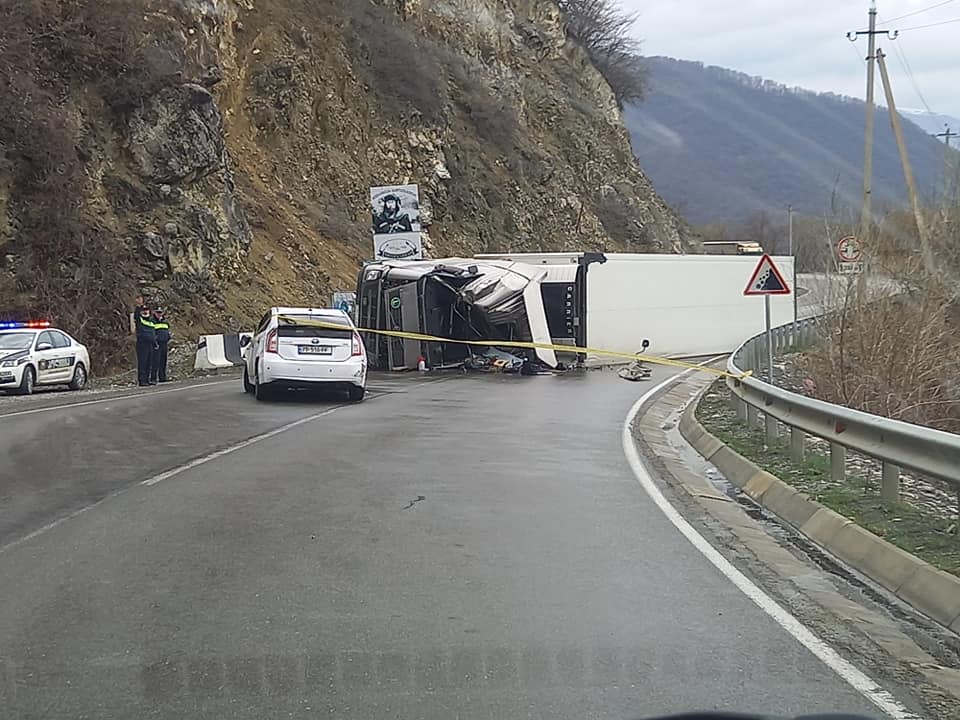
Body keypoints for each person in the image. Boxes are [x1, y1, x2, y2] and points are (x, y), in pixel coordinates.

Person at [135, 305, 157, 387]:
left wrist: (155, 343)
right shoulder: (140, 320)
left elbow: (153, 334)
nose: (145, 312)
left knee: (149, 362)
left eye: (147, 310)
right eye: (143, 310)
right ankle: (142, 380)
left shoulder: (151, 322)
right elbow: (136, 315)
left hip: (150, 344)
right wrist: (138, 306)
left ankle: (147, 379)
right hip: (142, 344)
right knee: (143, 362)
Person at [150, 307, 171, 383]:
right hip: (157, 344)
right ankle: (153, 378)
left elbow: (167, 331)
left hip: (164, 343)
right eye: (157, 313)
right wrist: (155, 341)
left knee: (163, 361)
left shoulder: (165, 322)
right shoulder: (152, 322)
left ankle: (162, 377)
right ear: (154, 313)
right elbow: (152, 333)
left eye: (160, 313)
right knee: (155, 361)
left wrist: (168, 337)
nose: (159, 314)